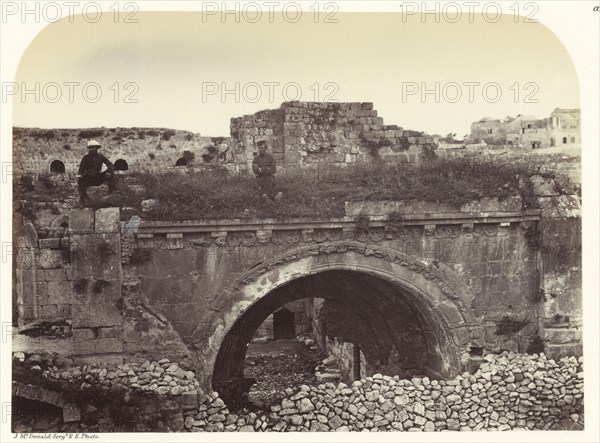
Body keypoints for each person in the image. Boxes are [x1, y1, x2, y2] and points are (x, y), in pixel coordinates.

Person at [77, 139, 116, 205]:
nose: (92, 149)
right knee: (80, 181)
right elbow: (81, 170)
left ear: (96, 148)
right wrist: (80, 176)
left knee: (111, 173)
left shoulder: (100, 157)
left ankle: (112, 192)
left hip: (98, 178)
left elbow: (110, 164)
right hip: (88, 179)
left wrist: (108, 171)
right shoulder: (85, 158)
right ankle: (84, 199)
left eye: (94, 148)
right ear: (89, 149)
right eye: (90, 148)